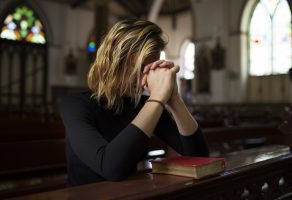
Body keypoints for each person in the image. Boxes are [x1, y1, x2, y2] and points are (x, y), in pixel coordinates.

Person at [60, 19, 209, 186]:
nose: (144, 81)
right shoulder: (74, 105)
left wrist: (174, 98)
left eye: (152, 69)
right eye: (140, 69)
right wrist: (157, 98)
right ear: (115, 62)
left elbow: (200, 157)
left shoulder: (146, 105)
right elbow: (111, 167)